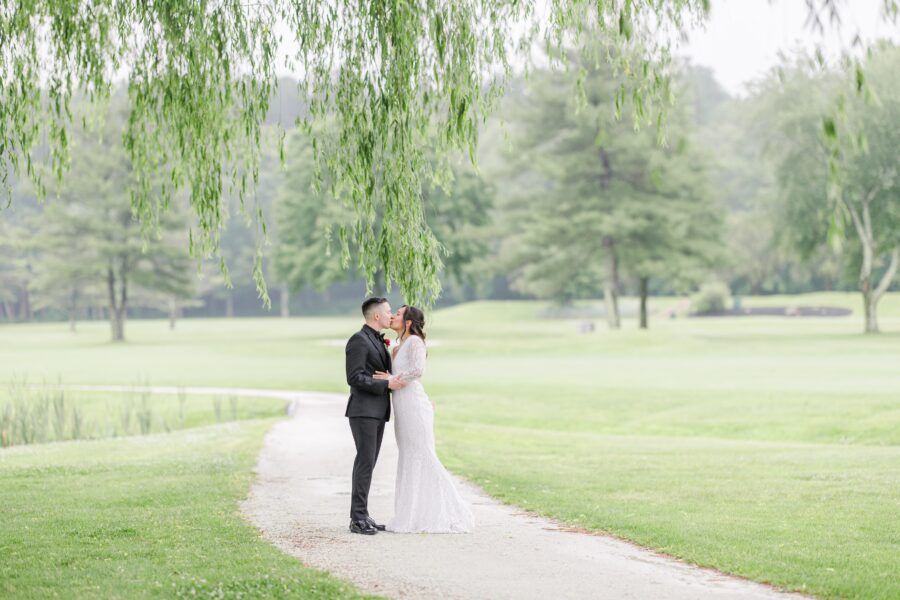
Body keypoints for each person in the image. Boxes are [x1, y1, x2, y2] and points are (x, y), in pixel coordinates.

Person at [375, 305, 474, 533]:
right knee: (408, 456)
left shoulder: (415, 343)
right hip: (402, 405)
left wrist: (392, 378)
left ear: (408, 322)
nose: (393, 317)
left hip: (413, 405)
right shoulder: (397, 348)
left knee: (423, 454)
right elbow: (403, 379)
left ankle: (451, 509)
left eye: (398, 314)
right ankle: (411, 514)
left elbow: (418, 371)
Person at [345, 297, 407, 535]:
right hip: (363, 411)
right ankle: (357, 518)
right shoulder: (359, 340)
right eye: (389, 312)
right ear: (377, 316)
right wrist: (387, 384)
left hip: (377, 412)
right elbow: (354, 377)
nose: (391, 315)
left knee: (369, 463)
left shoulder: (378, 341)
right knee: (365, 462)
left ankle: (363, 514)